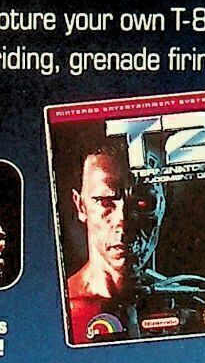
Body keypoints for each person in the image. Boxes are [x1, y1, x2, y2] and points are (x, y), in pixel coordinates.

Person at [64, 142, 163, 343]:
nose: (123, 222)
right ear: (81, 206)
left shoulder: (194, 299)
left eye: (142, 203)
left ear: (162, 204)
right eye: (105, 202)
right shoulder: (58, 309)